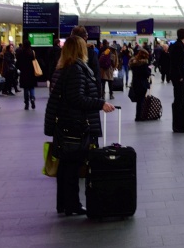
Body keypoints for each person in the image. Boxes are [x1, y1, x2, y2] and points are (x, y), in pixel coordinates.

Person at [44, 36, 114, 216]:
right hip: (74, 125)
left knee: (66, 167)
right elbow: (77, 98)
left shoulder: (66, 68)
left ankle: (65, 204)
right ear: (80, 50)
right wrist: (100, 103)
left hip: (67, 124)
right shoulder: (76, 70)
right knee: (72, 167)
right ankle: (72, 204)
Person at [70, 27, 101, 94]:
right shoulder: (90, 53)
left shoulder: (65, 54)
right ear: (85, 37)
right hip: (87, 92)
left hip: (68, 94)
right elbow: (96, 74)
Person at [128, 49, 151, 121]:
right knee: (141, 100)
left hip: (135, 83)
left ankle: (138, 115)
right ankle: (139, 116)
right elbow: (146, 74)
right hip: (142, 83)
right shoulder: (144, 64)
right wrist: (149, 70)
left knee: (139, 100)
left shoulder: (134, 64)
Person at [168, 28, 184, 108]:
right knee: (179, 94)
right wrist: (180, 75)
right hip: (178, 74)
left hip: (176, 73)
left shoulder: (176, 45)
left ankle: (178, 113)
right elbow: (177, 62)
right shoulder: (179, 46)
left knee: (179, 94)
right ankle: (179, 114)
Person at [15, 41, 38, 109]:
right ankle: (32, 99)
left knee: (26, 88)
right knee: (31, 87)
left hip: (24, 72)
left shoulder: (20, 53)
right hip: (31, 72)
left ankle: (26, 102)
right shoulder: (32, 52)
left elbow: (17, 63)